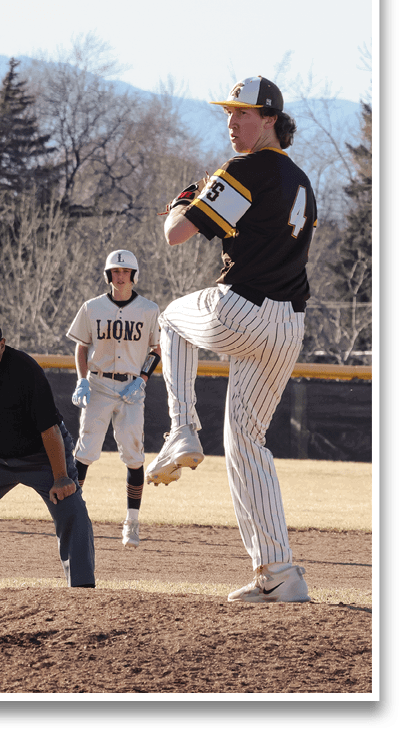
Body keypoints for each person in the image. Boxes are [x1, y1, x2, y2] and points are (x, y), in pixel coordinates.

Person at [145, 76, 317, 604]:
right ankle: (279, 572)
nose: (232, 122)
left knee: (170, 319)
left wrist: (185, 199)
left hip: (242, 309)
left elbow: (175, 234)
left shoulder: (244, 168)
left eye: (243, 113)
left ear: (270, 119)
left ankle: (181, 429)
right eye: (228, 113)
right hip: (288, 325)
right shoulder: (301, 180)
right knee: (246, 442)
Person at [66, 250, 161, 550]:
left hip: (131, 387)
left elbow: (156, 350)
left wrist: (142, 379)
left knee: (134, 455)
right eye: (115, 272)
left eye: (125, 271)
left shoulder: (149, 309)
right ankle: (72, 515)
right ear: (108, 275)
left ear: (134, 275)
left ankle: (132, 521)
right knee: (85, 451)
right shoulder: (92, 307)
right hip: (99, 384)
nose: (120, 276)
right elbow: (82, 346)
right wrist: (82, 380)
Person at [0, 319, 95, 587]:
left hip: (41, 456)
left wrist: (61, 477)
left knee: (71, 508)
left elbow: (49, 428)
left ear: (1, 345)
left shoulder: (24, 370)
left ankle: (82, 590)